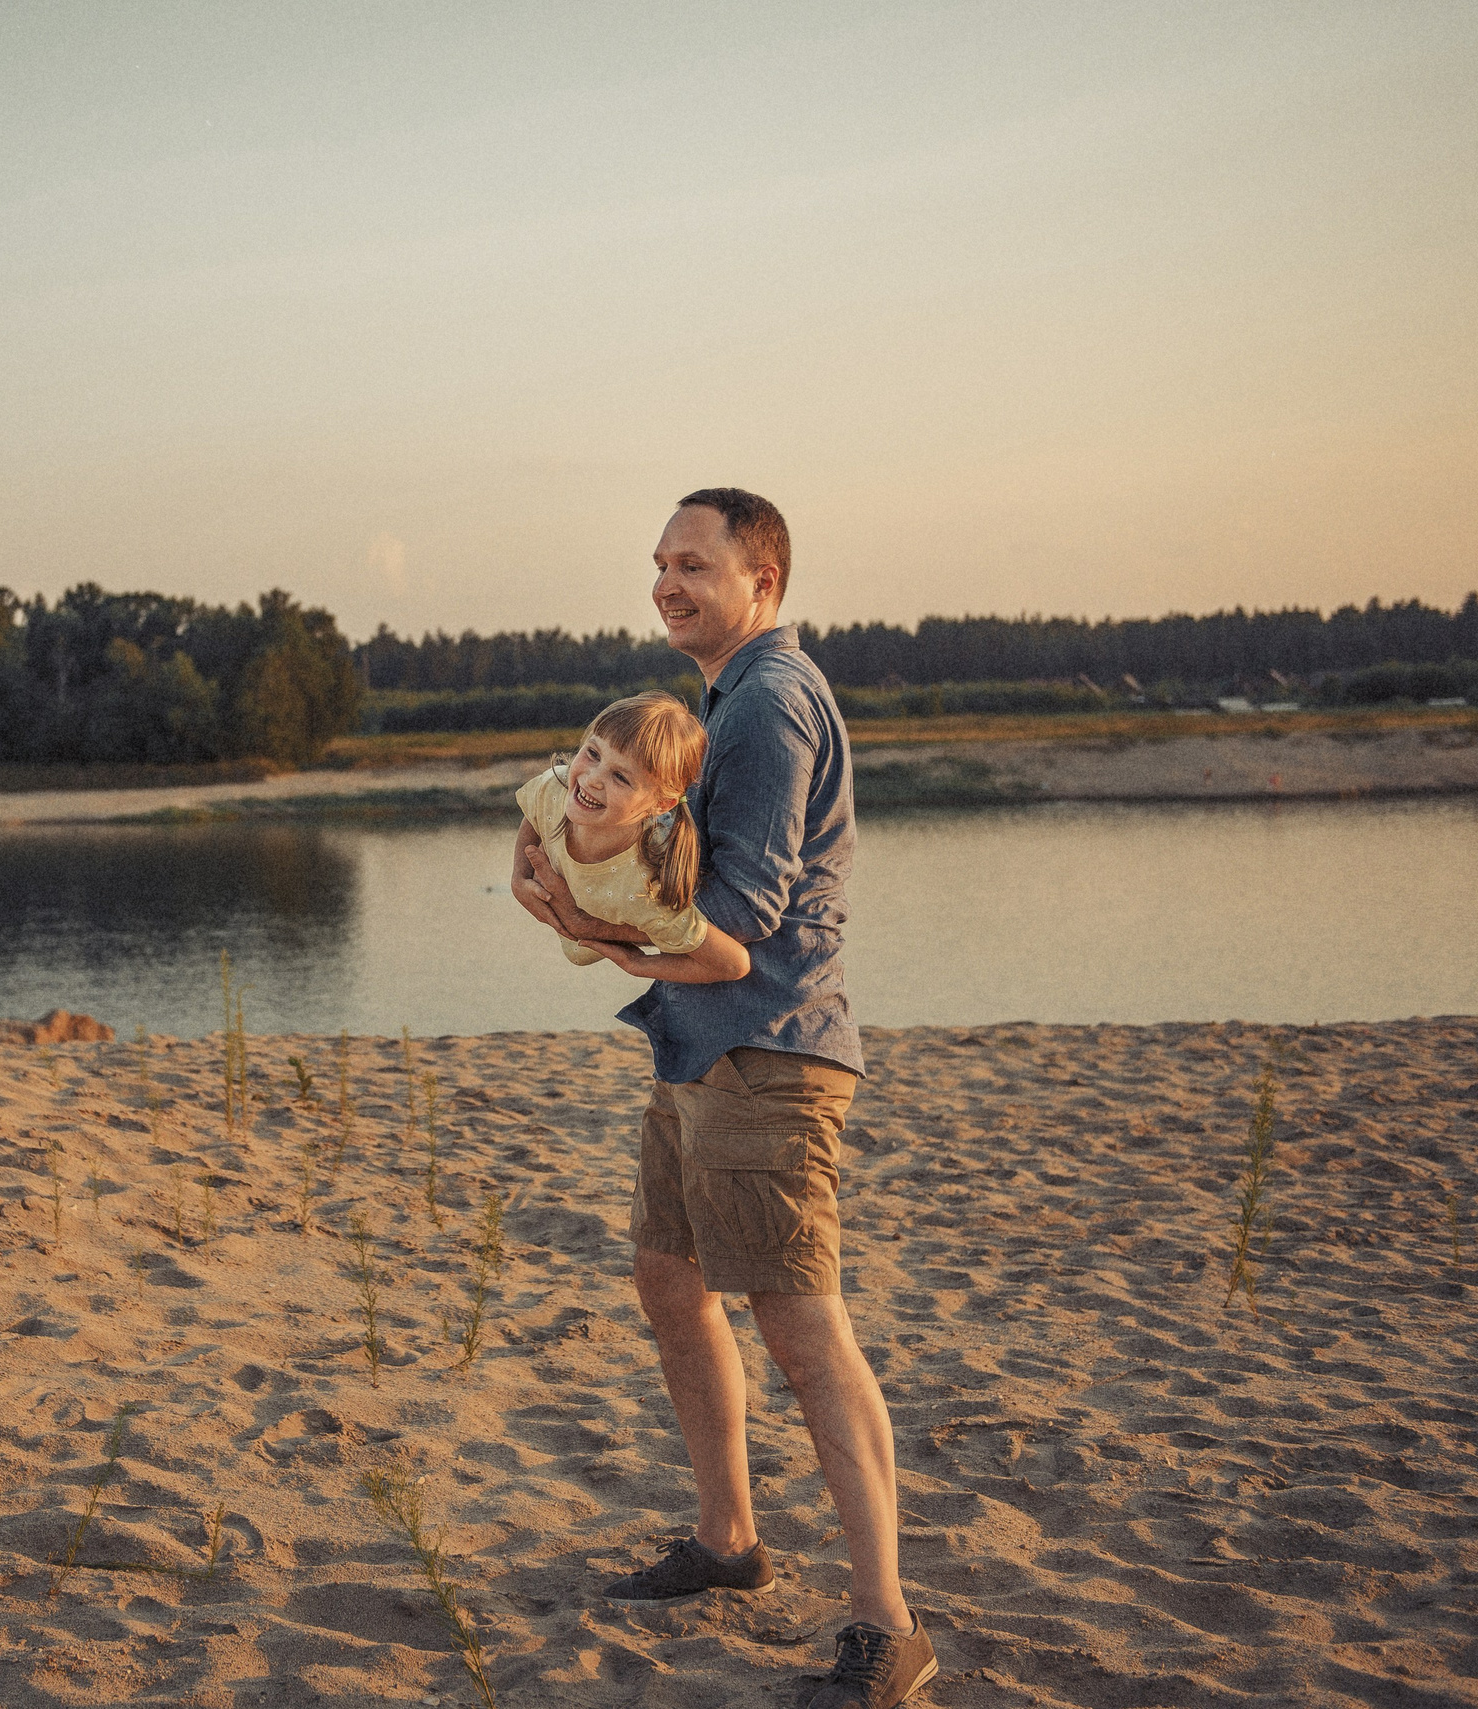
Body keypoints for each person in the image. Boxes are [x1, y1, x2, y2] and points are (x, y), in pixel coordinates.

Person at [512, 489, 935, 1709]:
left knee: (802, 1329)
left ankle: (886, 1626)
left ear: (764, 580)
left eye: (692, 563)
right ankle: (728, 1539)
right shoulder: (713, 704)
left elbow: (737, 925)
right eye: (657, 563)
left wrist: (593, 929)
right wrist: (556, 862)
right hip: (698, 1048)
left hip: (767, 1051)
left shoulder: (768, 705)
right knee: (666, 1277)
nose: (665, 581)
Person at [511, 691, 749, 985]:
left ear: (661, 805)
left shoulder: (645, 890)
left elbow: (732, 964)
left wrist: (638, 963)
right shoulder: (555, 788)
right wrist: (519, 878)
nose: (593, 779)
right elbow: (535, 809)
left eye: (621, 777)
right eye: (593, 754)